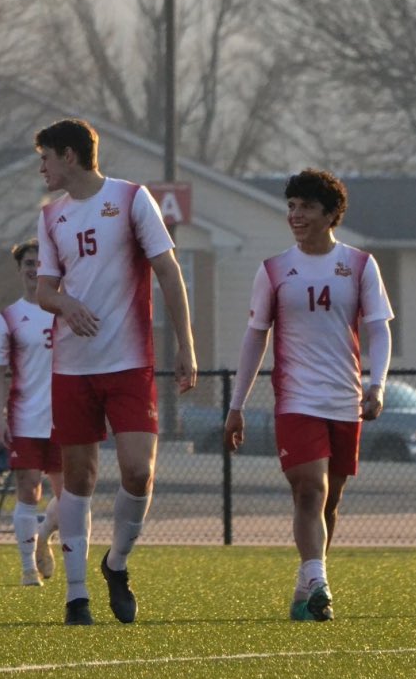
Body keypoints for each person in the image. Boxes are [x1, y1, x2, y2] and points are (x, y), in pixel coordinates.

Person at [35, 118, 196, 625]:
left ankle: (116, 564)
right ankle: (76, 596)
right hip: (73, 367)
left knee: (138, 470)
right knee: (78, 478)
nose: (41, 166)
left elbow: (169, 271)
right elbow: (43, 290)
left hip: (129, 363)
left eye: (45, 157)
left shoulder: (130, 200)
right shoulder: (50, 216)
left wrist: (185, 346)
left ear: (70, 156)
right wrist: (66, 305)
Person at [223, 169, 392, 622]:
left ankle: (307, 585)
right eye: (291, 206)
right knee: (309, 491)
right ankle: (320, 582)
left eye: (306, 207)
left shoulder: (359, 265)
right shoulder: (275, 269)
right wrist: (236, 405)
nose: (295, 215)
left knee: (329, 501)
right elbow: (255, 338)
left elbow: (378, 329)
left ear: (331, 213)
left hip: (345, 397)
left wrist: (377, 385)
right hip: (296, 398)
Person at [0, 239, 63, 586]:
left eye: (40, 263)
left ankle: (45, 535)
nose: (35, 269)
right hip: (25, 416)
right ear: (20, 271)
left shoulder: (66, 310)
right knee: (28, 489)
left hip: (65, 416)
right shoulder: (8, 318)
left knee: (72, 496)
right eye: (28, 263)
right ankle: (27, 569)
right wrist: (0, 417)